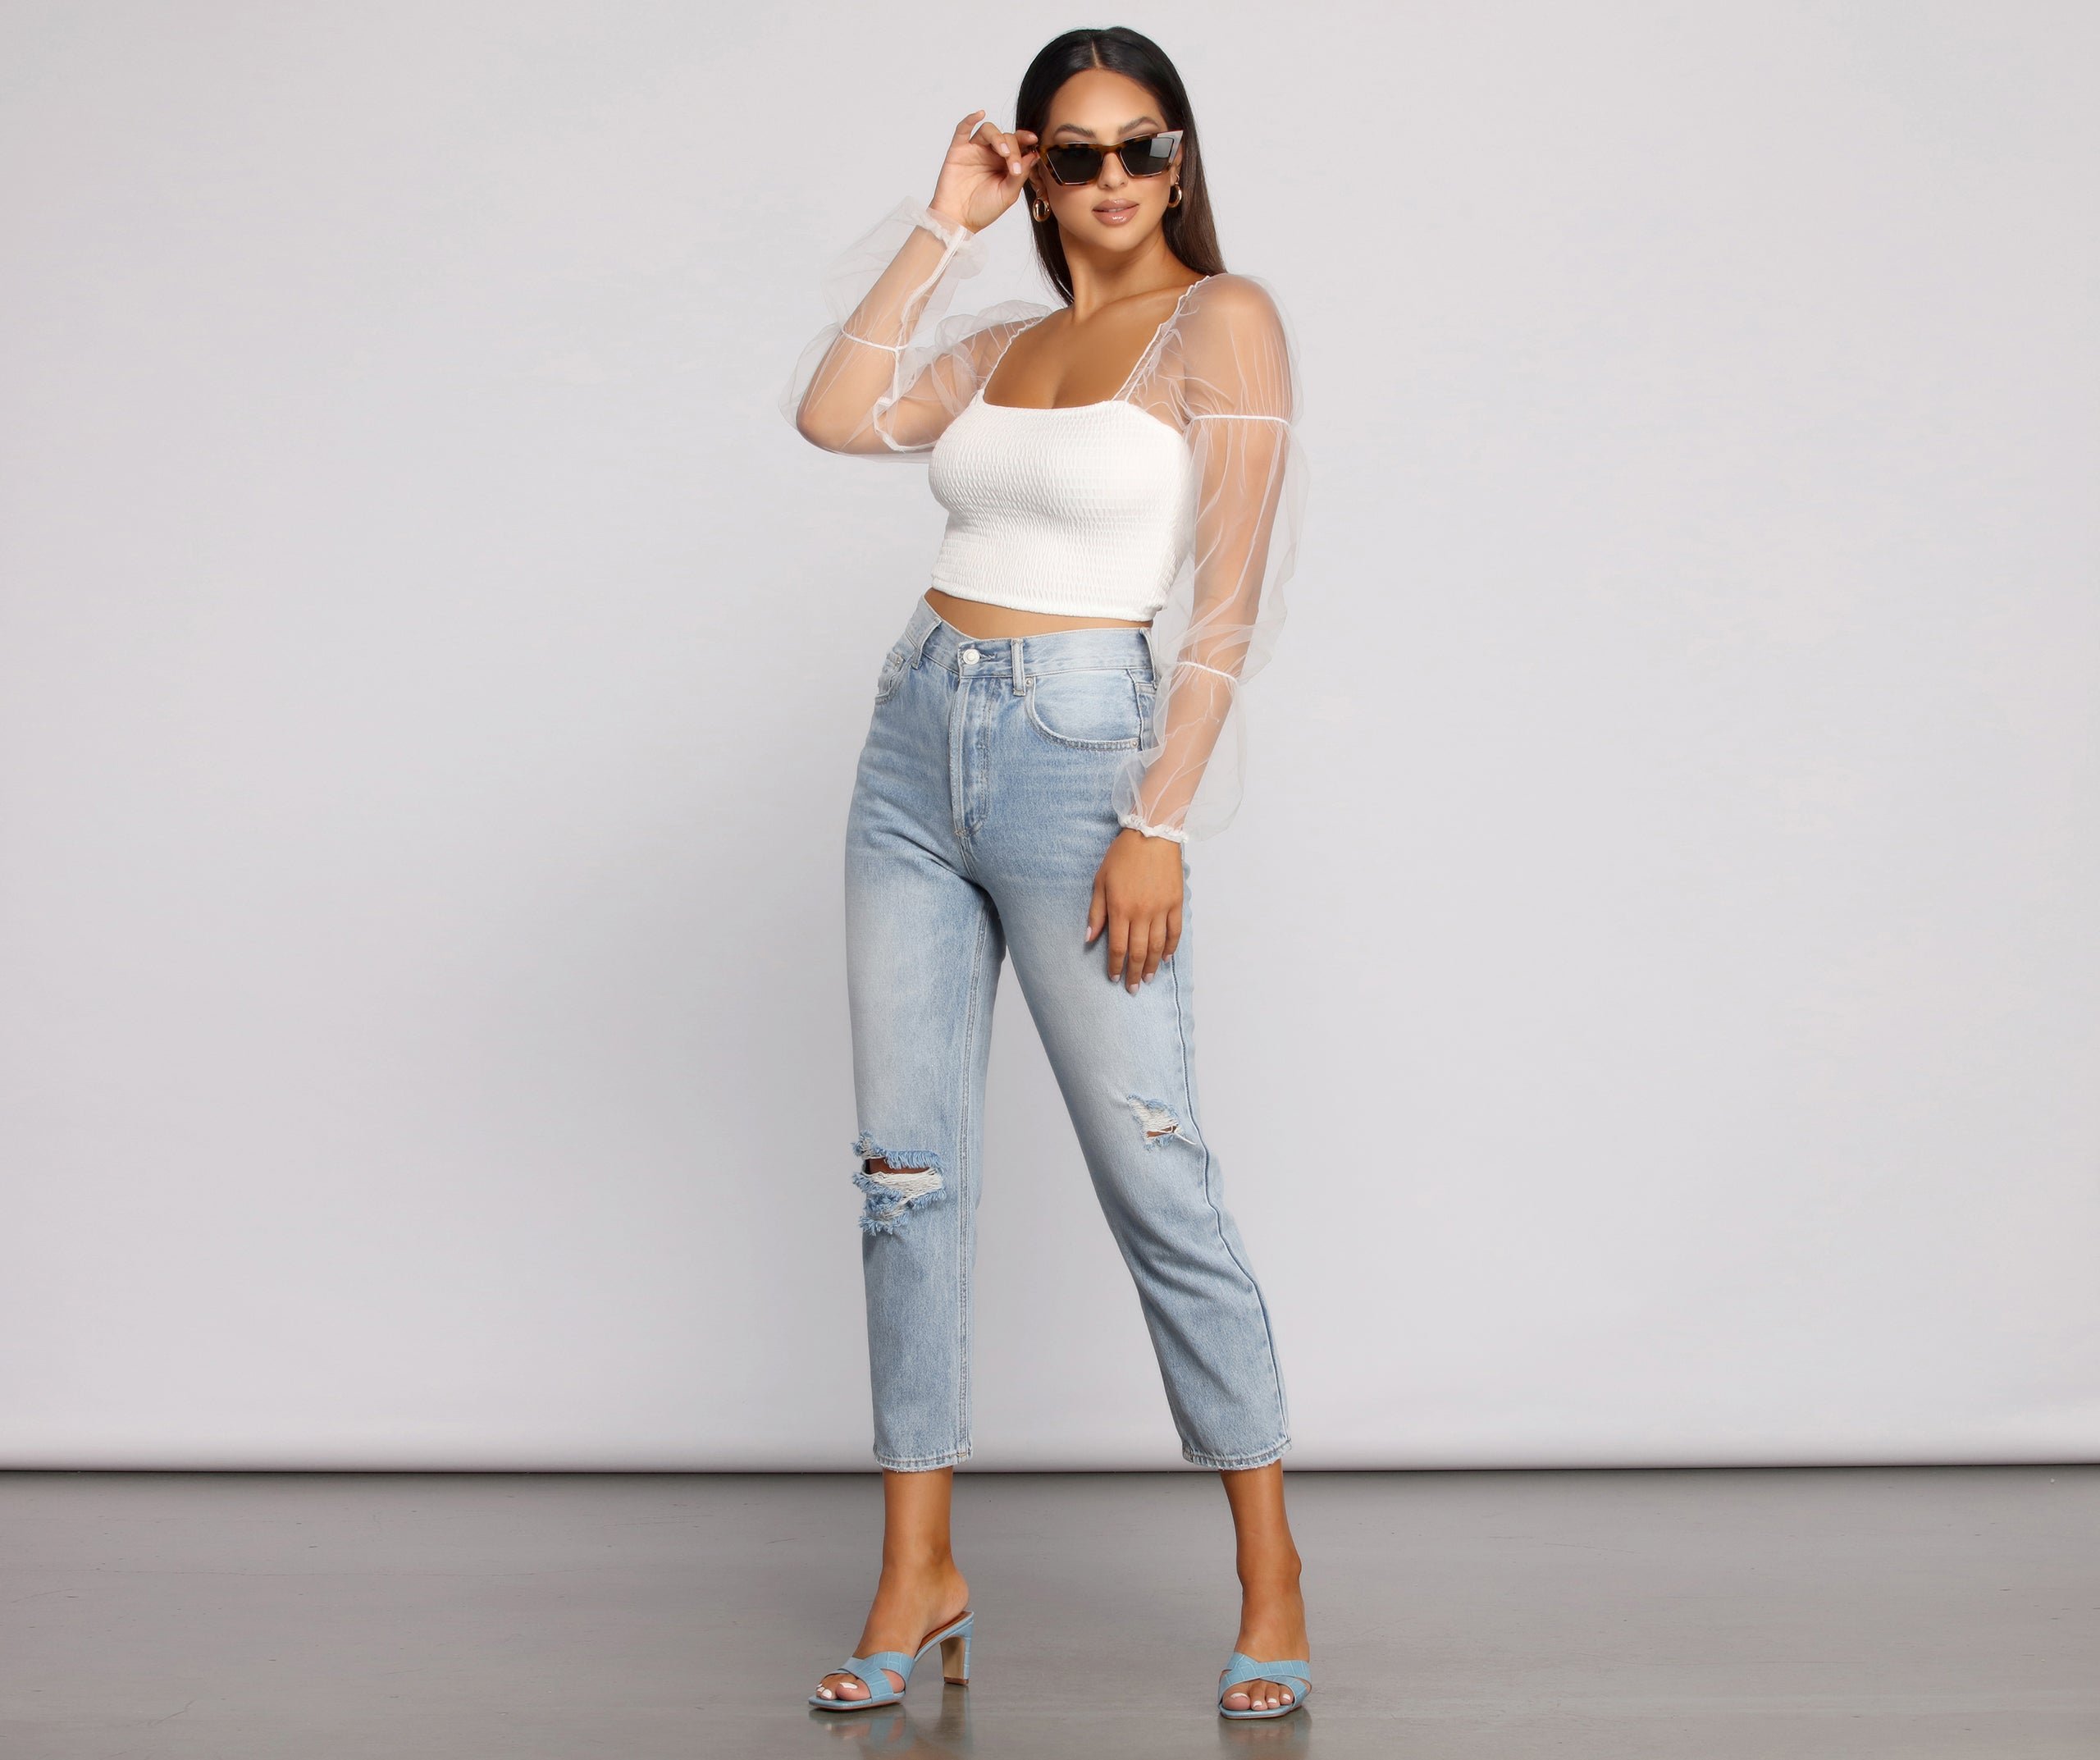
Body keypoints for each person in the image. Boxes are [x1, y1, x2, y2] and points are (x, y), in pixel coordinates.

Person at [783, 25, 1312, 1721]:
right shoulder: (1008, 340)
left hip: (1082, 749)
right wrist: (943, 220)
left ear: (1180, 157)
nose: (1109, 180)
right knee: (904, 1174)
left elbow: (1226, 600)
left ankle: (1273, 1575)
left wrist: (1159, 819)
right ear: (1035, 166)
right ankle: (917, 1569)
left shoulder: (1218, 321)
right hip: (911, 733)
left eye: (1139, 146)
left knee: (1154, 1166)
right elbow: (833, 412)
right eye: (1070, 153)